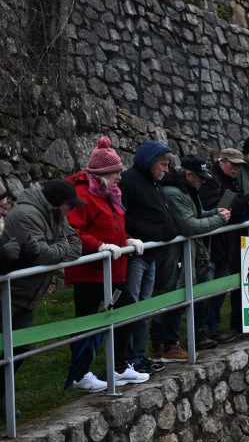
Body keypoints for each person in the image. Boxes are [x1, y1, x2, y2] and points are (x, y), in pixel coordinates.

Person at [64, 137, 149, 392]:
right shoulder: (82, 195)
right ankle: (80, 374)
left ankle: (119, 366)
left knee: (126, 310)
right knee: (86, 320)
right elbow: (73, 232)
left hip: (113, 270)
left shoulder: (110, 194)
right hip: (90, 272)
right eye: (115, 173)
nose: (119, 178)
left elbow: (113, 229)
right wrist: (98, 246)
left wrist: (127, 240)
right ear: (101, 174)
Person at [0, 179, 83, 399]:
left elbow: (76, 246)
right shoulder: (27, 215)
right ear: (58, 203)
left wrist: (58, 248)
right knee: (9, 347)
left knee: (21, 347)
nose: (72, 210)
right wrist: (62, 246)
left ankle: (1, 396)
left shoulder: (56, 214)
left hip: (27, 296)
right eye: (70, 205)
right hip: (9, 294)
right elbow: (43, 255)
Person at [160, 156, 230, 350]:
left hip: (190, 252)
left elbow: (195, 215)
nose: (203, 182)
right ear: (189, 174)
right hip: (176, 255)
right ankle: (167, 344)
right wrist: (219, 220)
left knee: (195, 291)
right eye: (201, 178)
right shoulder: (174, 192)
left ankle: (192, 336)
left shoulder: (186, 188)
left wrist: (214, 212)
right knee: (176, 294)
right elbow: (190, 225)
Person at [118, 140, 177, 368]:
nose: (165, 169)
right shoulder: (130, 180)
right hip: (136, 256)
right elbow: (123, 217)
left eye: (167, 165)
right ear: (150, 162)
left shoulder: (154, 182)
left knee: (145, 308)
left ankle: (139, 355)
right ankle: (128, 358)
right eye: (162, 164)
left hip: (151, 255)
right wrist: (151, 233)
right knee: (133, 308)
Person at [198, 148, 249, 339]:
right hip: (211, 243)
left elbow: (230, 208)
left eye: (239, 165)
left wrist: (240, 203)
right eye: (233, 164)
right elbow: (218, 208)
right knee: (208, 289)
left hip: (226, 242)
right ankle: (203, 330)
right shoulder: (210, 180)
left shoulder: (232, 181)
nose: (236, 169)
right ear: (222, 162)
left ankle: (213, 327)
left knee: (220, 289)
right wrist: (241, 202)